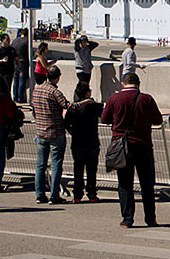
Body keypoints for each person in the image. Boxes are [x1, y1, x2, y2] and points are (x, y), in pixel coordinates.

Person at [103, 69, 164, 228]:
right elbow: (158, 120)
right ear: (138, 84)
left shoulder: (114, 98)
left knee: (124, 183)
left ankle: (127, 218)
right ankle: (150, 218)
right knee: (147, 183)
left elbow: (104, 118)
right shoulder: (146, 99)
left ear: (122, 84)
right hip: (143, 144)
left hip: (122, 146)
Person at [31, 68, 70, 204]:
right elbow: (67, 105)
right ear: (57, 77)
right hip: (55, 130)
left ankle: (39, 194)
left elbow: (33, 109)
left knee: (40, 164)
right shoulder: (55, 92)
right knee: (56, 164)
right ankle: (54, 195)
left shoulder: (37, 90)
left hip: (41, 131)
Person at [65, 78, 102, 203]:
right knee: (91, 170)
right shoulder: (93, 106)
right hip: (91, 140)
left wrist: (72, 132)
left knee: (78, 169)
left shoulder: (74, 108)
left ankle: (77, 194)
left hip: (77, 141)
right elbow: (104, 114)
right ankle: (91, 193)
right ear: (87, 93)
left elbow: (66, 123)